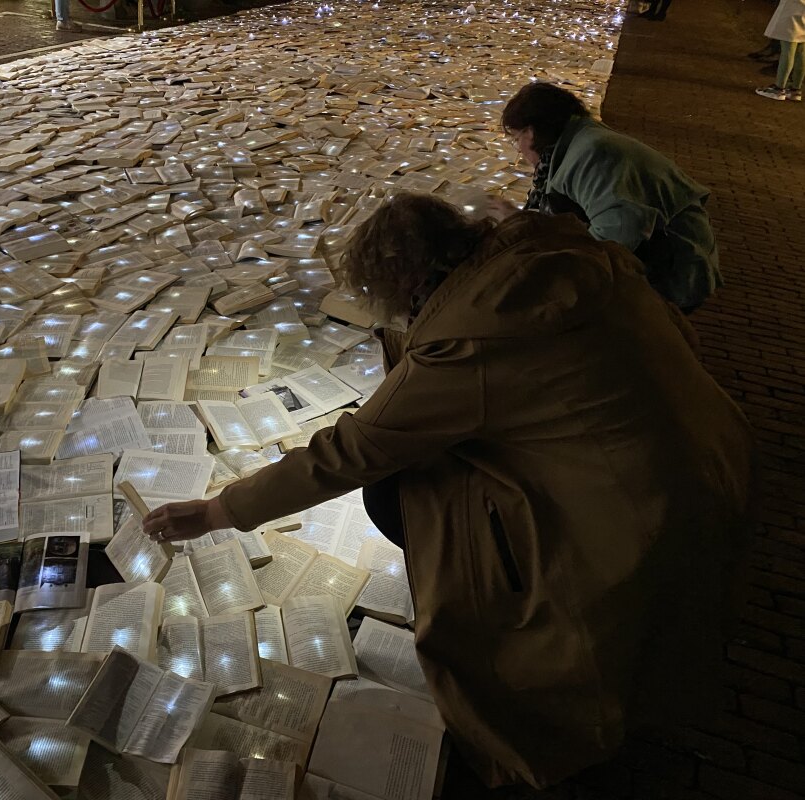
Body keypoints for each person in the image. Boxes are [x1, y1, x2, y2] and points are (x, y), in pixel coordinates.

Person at [141, 193, 756, 789]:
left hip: (634, 519)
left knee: (400, 488)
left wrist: (219, 509)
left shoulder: (476, 333)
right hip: (714, 459)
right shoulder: (558, 261)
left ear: (407, 286)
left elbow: (355, 450)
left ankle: (522, 671)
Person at [495, 82, 720, 313]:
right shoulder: (576, 142)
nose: (518, 149)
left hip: (674, 271)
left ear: (531, 133)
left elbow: (615, 239)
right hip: (658, 256)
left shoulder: (594, 154)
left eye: (515, 139)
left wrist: (553, 273)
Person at [756, 0, 805, 101]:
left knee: (788, 50)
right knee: (801, 51)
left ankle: (779, 88)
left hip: (792, 10)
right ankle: (795, 89)